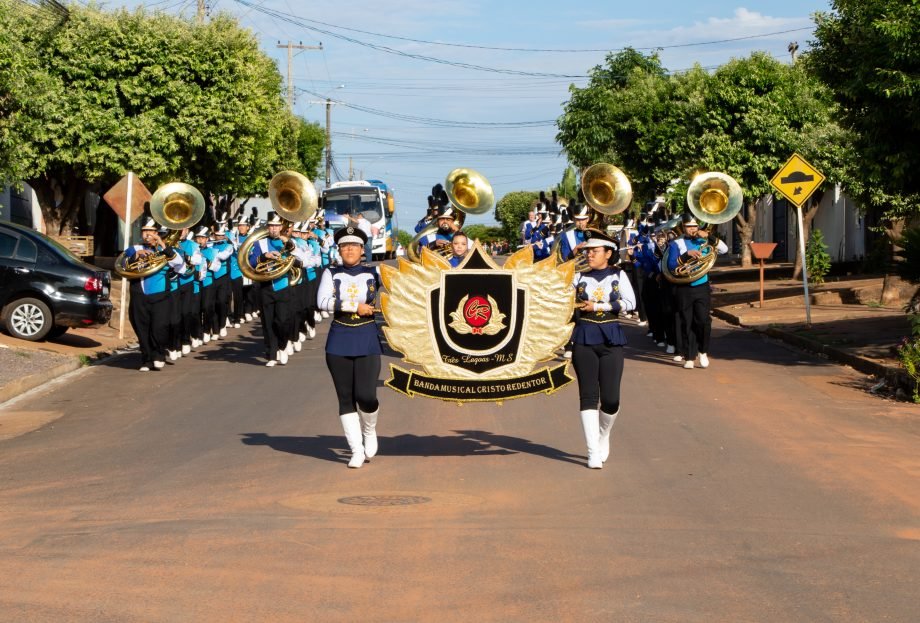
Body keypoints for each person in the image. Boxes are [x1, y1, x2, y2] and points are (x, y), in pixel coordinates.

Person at [316, 225, 382, 469]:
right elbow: (322, 301)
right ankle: (355, 450)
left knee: (366, 395)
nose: (349, 250)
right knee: (345, 398)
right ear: (339, 250)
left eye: (354, 245)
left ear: (362, 249)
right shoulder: (330, 273)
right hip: (339, 338)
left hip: (367, 337)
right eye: (345, 246)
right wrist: (354, 307)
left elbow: (399, 290)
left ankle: (370, 430)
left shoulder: (375, 273)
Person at [571, 229, 636, 469]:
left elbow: (631, 302)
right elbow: (566, 301)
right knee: (588, 396)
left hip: (611, 338)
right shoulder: (577, 276)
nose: (589, 254)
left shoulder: (618, 275)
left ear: (608, 253)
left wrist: (599, 305)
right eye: (587, 251)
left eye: (594, 251)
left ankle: (604, 434)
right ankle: (592, 451)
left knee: (611, 399)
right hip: (584, 337)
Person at [666, 213, 728, 369]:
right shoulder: (677, 243)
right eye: (689, 226)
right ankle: (689, 356)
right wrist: (687, 255)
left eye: (694, 226)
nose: (692, 229)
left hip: (701, 285)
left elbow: (724, 249)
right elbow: (672, 265)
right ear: (684, 227)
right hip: (684, 287)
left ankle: (703, 351)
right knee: (686, 322)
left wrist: (709, 236)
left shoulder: (705, 240)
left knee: (703, 321)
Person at [124, 218, 187, 371]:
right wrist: (135, 256)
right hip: (139, 295)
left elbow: (180, 265)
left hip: (160, 296)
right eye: (145, 231)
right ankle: (146, 359)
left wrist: (162, 244)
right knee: (142, 328)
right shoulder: (134, 248)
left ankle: (159, 355)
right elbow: (123, 264)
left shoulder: (166, 249)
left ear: (157, 233)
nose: (147, 235)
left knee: (159, 327)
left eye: (151, 232)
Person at [248, 212, 293, 366]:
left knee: (282, 321)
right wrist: (264, 256)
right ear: (268, 227)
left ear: (281, 227)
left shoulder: (287, 242)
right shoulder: (259, 243)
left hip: (282, 285)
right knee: (267, 322)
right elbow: (252, 262)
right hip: (265, 286)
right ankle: (272, 354)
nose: (273, 229)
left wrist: (289, 245)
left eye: (276, 226)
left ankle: (282, 345)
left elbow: (299, 258)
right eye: (271, 226)